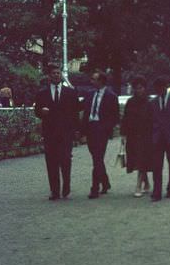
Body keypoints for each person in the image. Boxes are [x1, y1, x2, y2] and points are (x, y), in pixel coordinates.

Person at [33, 64, 79, 200]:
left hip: (66, 133)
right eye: (53, 73)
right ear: (49, 76)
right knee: (51, 162)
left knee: (65, 160)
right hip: (50, 133)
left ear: (61, 75)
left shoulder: (70, 92)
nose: (56, 75)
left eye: (58, 73)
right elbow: (37, 111)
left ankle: (66, 186)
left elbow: (75, 113)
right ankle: (54, 190)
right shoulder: (42, 93)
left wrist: (76, 131)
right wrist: (41, 112)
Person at [80, 70, 120, 199]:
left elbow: (115, 116)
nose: (91, 81)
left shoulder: (111, 96)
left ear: (101, 81)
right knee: (96, 158)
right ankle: (106, 182)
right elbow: (84, 111)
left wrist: (106, 128)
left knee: (97, 158)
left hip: (101, 130)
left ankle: (94, 188)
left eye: (94, 79)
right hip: (91, 128)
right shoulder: (89, 94)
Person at [121, 76, 153, 197]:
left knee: (142, 159)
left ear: (145, 88)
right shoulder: (130, 102)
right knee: (137, 160)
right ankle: (147, 183)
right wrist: (123, 134)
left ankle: (138, 186)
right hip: (133, 135)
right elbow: (125, 119)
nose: (138, 90)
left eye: (141, 88)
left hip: (146, 136)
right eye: (136, 88)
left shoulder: (149, 102)